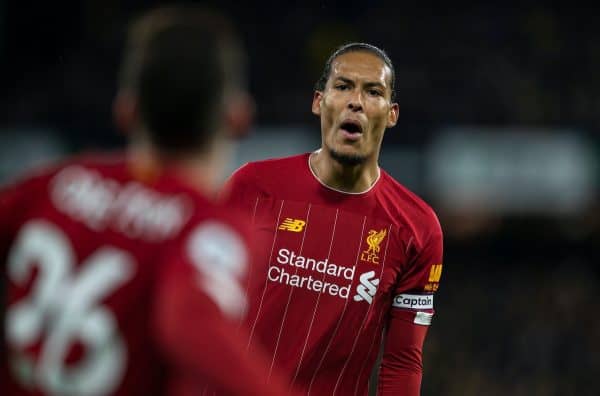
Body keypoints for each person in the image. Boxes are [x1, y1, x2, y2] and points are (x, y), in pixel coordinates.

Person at [0, 5, 296, 396]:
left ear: (126, 109)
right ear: (238, 116)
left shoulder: (55, 183)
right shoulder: (205, 228)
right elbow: (189, 316)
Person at [220, 42, 444, 395]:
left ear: (391, 113)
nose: (356, 101)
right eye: (342, 87)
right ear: (318, 101)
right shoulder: (253, 187)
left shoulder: (417, 228)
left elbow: (402, 361)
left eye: (373, 92)